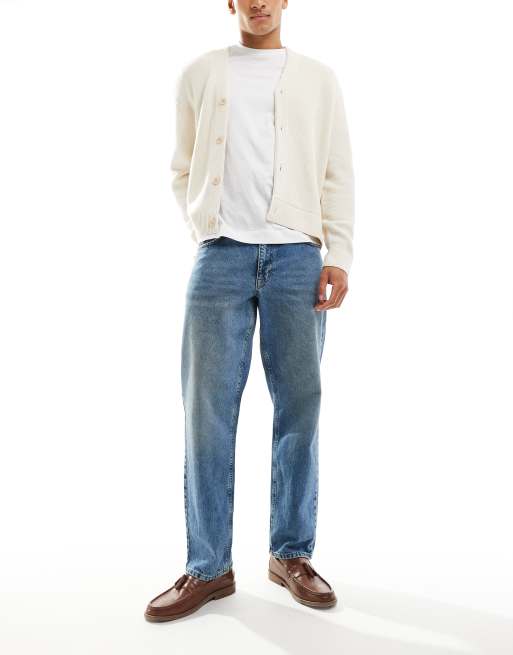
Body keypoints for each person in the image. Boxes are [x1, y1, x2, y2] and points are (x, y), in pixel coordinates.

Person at [144, 0, 354, 622]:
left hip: (298, 258)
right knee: (206, 413)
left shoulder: (318, 78)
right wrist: (205, 224)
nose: (259, 2)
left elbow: (336, 172)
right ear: (230, 3)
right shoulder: (201, 73)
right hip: (220, 258)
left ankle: (291, 554)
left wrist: (338, 254)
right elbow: (183, 168)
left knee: (299, 408)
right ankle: (208, 566)